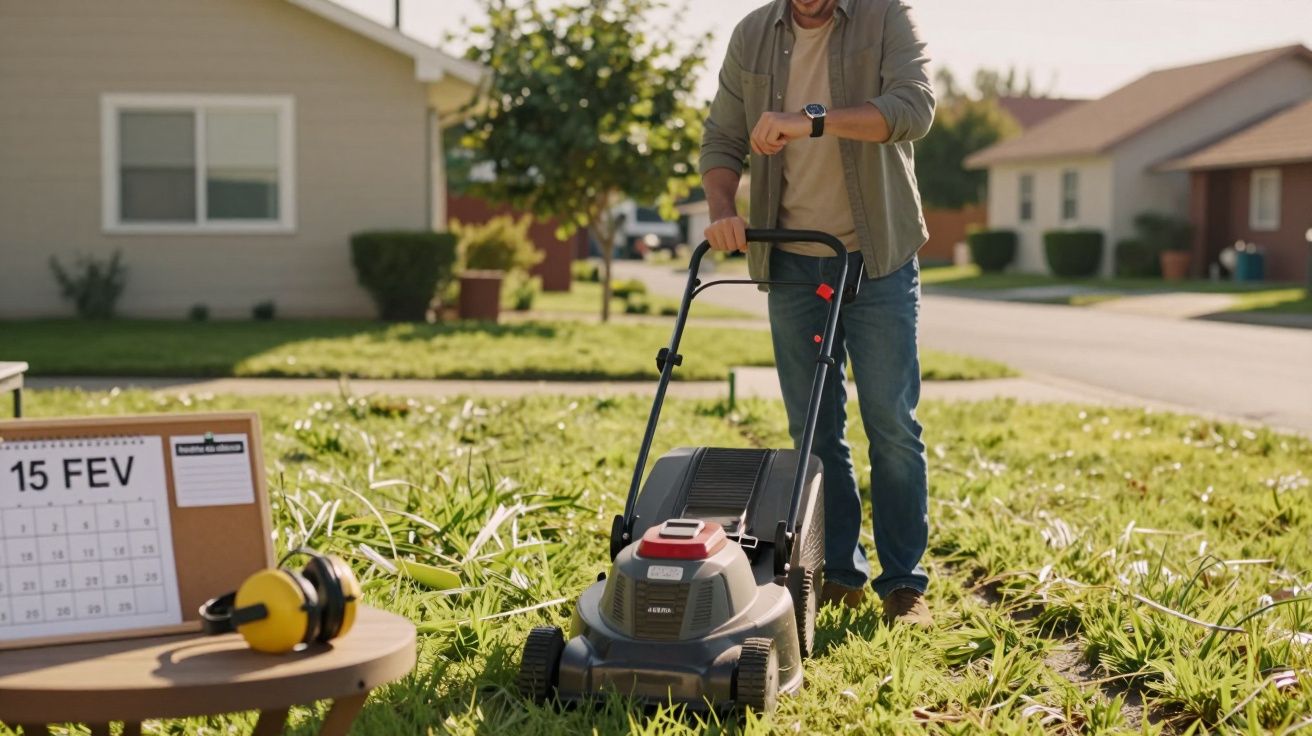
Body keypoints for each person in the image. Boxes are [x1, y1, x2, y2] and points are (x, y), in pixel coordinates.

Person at [699, 0, 935, 626]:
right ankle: (839, 572)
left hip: (878, 254)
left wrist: (811, 121)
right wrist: (724, 208)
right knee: (813, 432)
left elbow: (914, 110)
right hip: (794, 262)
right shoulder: (752, 35)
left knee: (890, 423)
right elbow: (722, 139)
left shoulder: (885, 17)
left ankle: (903, 584)